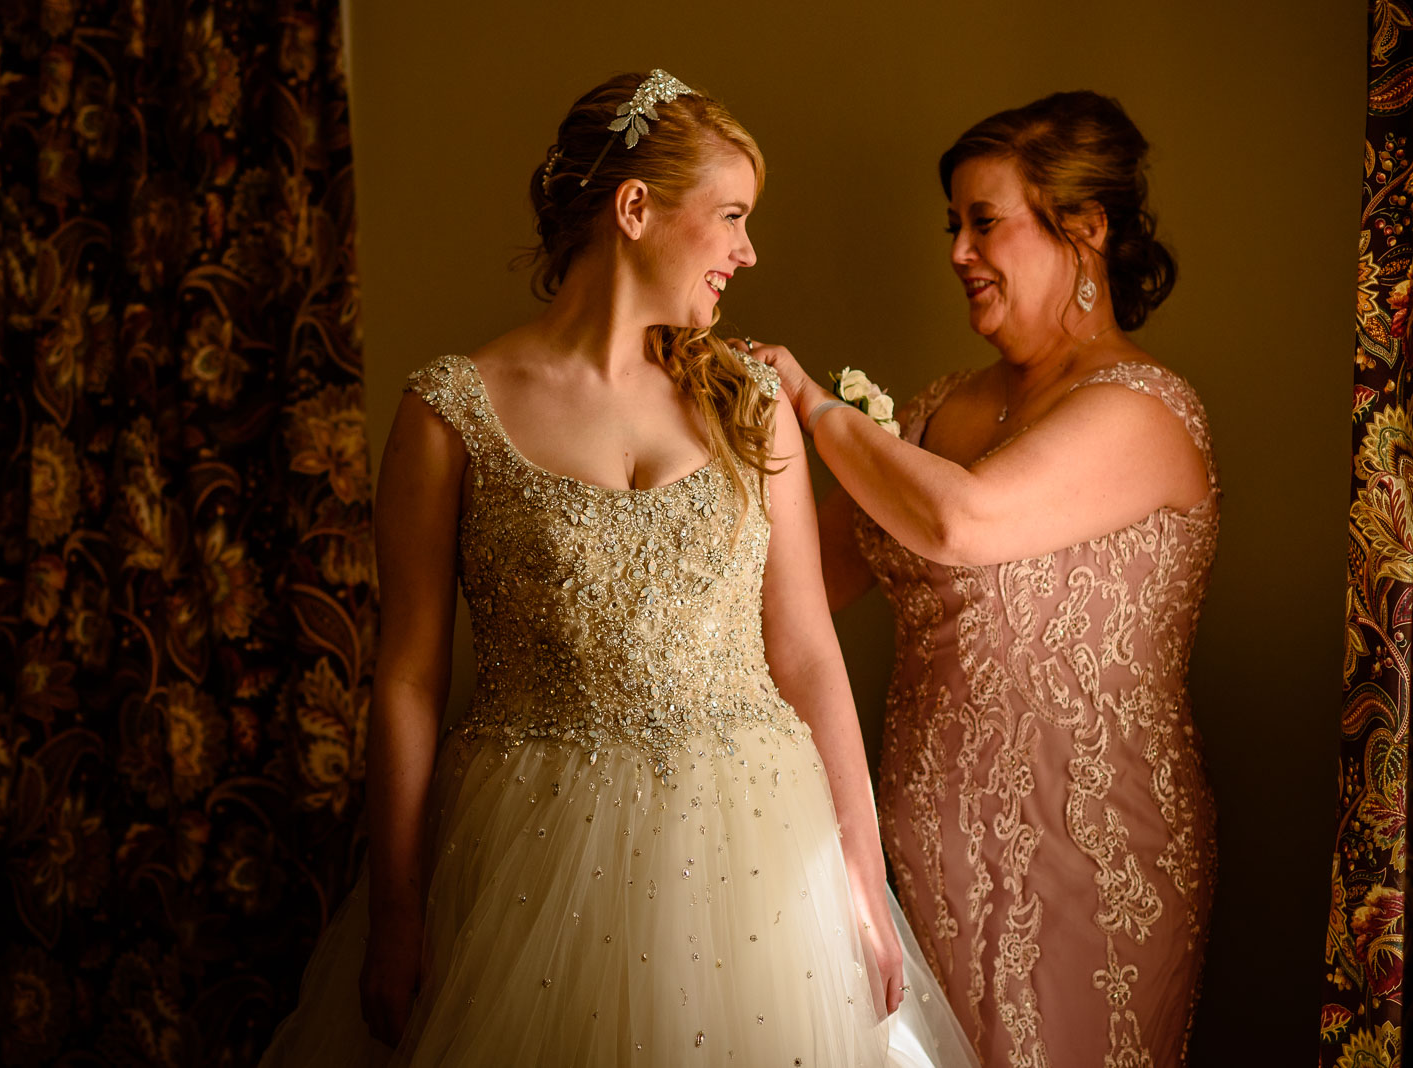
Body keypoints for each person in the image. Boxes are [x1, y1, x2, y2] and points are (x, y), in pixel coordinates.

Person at [260, 70, 977, 1067]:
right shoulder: (449, 412)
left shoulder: (748, 400)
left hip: (757, 846)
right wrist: (396, 906)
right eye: (729, 216)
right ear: (633, 209)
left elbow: (807, 651)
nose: (747, 251)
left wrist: (862, 877)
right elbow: (409, 677)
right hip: (532, 847)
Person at [746, 91, 1219, 1066]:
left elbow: (965, 520)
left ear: (1082, 230)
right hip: (916, 847)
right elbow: (798, 593)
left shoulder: (1145, 412)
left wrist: (814, 407)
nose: (957, 250)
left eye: (983, 222)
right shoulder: (927, 414)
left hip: (1089, 856)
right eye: (952, 226)